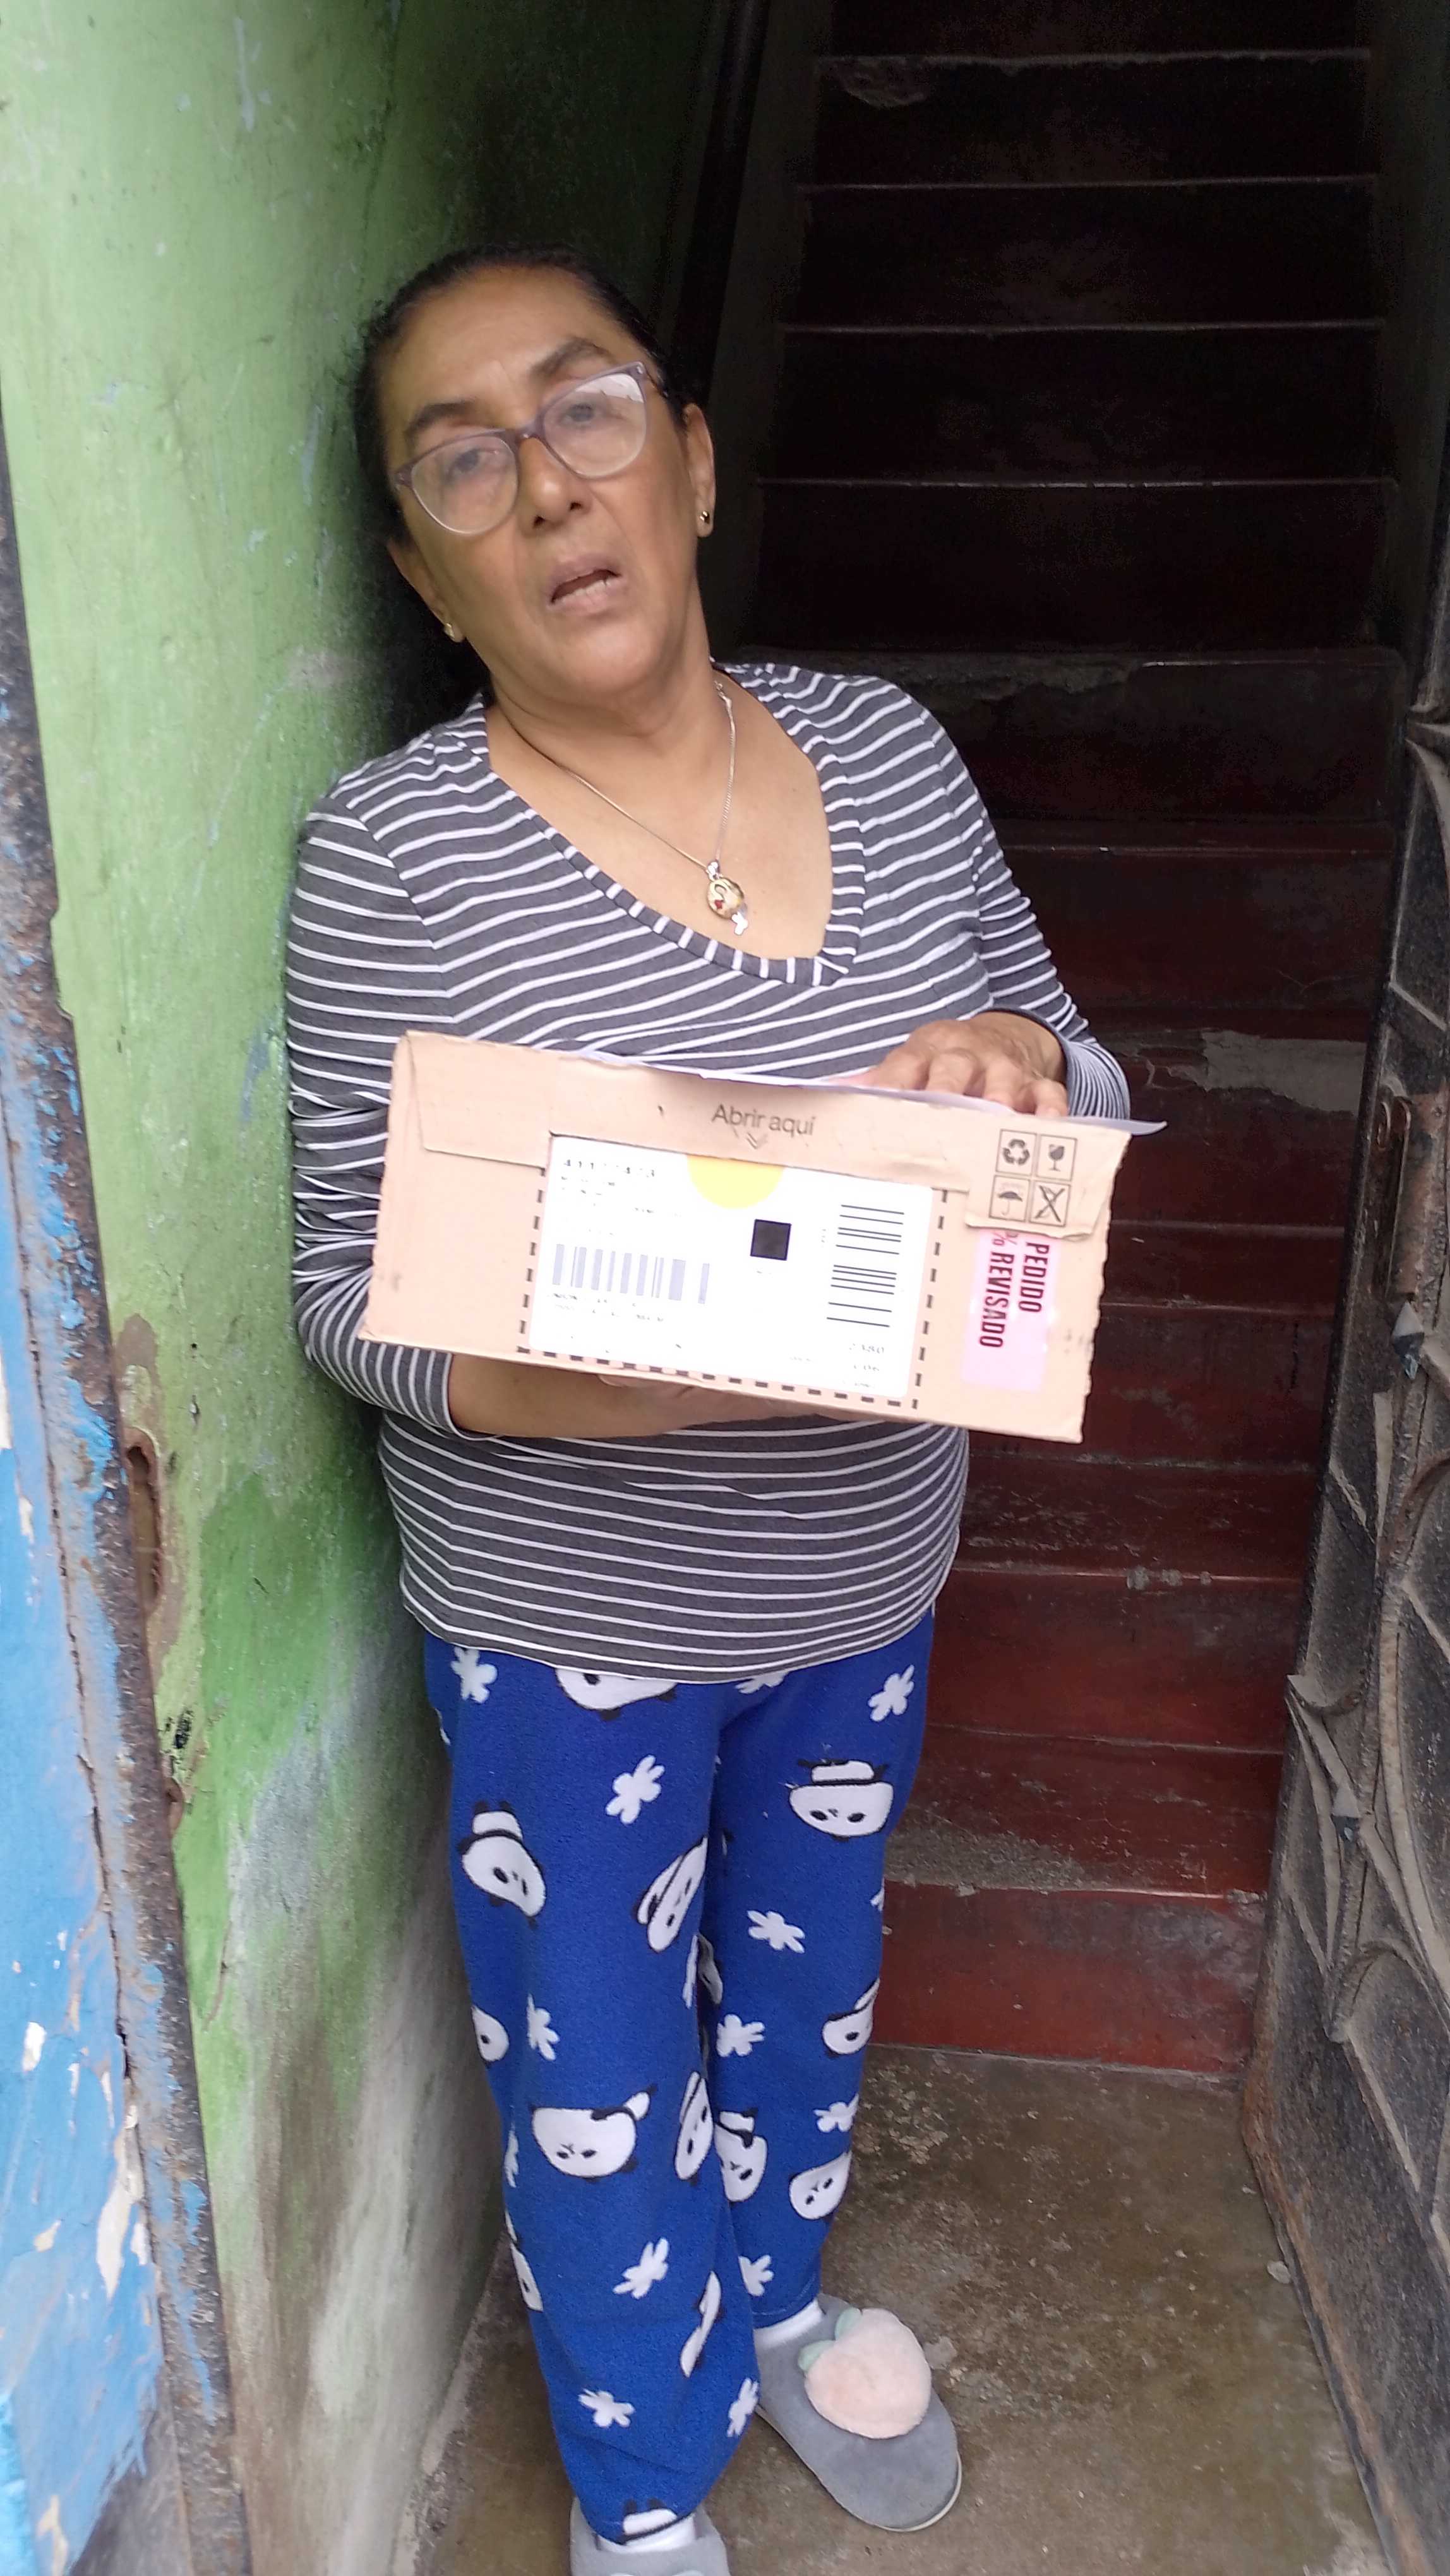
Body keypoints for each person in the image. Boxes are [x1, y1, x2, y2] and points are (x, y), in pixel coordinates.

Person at [286, 244, 1129, 2576]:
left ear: (690, 460)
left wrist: (1024, 1065)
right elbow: (345, 1294)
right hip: (573, 1623)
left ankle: (773, 2301)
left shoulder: (892, 755)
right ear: (424, 574)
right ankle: (641, 2493)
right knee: (593, 2052)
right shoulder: (396, 858)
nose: (547, 487)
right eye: (463, 464)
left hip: (866, 1573)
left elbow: (1078, 1082)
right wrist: (568, 1378)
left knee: (807, 1987)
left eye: (584, 413)